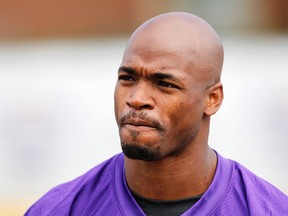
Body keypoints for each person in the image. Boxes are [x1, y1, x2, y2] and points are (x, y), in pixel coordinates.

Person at [25, 12, 288, 216]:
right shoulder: (59, 209)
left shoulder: (268, 209)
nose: (137, 99)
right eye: (127, 78)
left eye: (164, 84)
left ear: (212, 99)